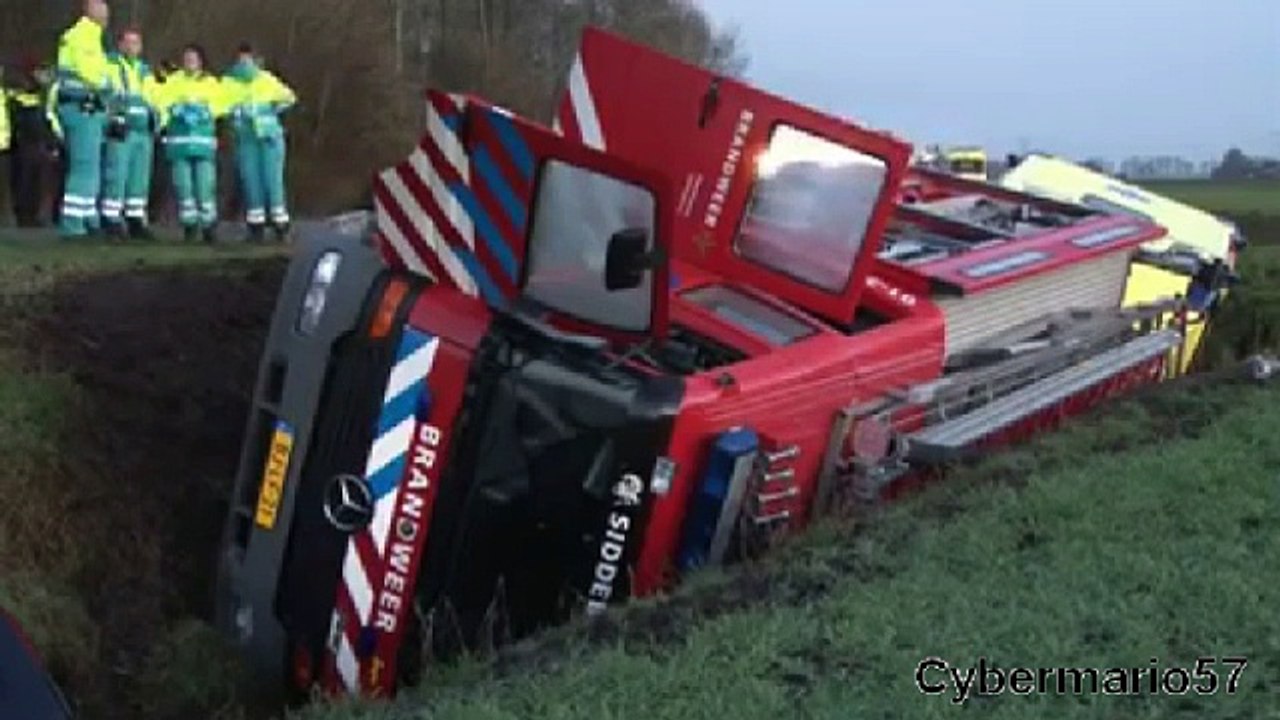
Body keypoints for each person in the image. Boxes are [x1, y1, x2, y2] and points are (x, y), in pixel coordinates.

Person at [53, 0, 116, 238]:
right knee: (84, 166)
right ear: (91, 12)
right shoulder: (81, 37)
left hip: (88, 108)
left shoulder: (92, 37)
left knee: (91, 166)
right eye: (103, 12)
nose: (106, 17)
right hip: (81, 108)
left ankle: (88, 217)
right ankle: (72, 222)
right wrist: (108, 85)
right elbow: (90, 72)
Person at [222, 43, 296, 242]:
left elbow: (289, 98)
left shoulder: (266, 79)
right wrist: (235, 112)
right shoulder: (229, 82)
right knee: (250, 180)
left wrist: (269, 109)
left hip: (269, 137)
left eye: (247, 60)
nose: (244, 64)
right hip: (245, 138)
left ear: (255, 61)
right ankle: (256, 226)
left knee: (273, 180)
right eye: (241, 61)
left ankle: (280, 225)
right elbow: (220, 104)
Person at [155, 44, 226, 242]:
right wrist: (174, 110)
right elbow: (161, 101)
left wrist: (206, 111)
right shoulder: (174, 81)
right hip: (179, 145)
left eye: (193, 59)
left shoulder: (210, 82)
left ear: (201, 61)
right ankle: (189, 226)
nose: (189, 63)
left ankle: (209, 226)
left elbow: (222, 103)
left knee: (205, 186)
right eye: (186, 59)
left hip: (203, 146)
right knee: (183, 187)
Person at [101, 28, 160, 240]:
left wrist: (157, 121)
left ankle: (135, 217)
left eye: (136, 43)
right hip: (122, 128)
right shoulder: (111, 66)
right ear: (120, 45)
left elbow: (155, 99)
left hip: (143, 131)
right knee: (116, 174)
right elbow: (108, 95)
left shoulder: (145, 71)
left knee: (139, 177)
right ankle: (111, 218)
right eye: (128, 42)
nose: (132, 47)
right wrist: (112, 120)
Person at [5, 58, 60, 226]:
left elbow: (47, 121)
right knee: (25, 180)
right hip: (25, 143)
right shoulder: (20, 96)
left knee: (38, 180)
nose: (45, 76)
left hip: (40, 143)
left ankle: (36, 215)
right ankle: (25, 215)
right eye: (42, 72)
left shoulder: (44, 95)